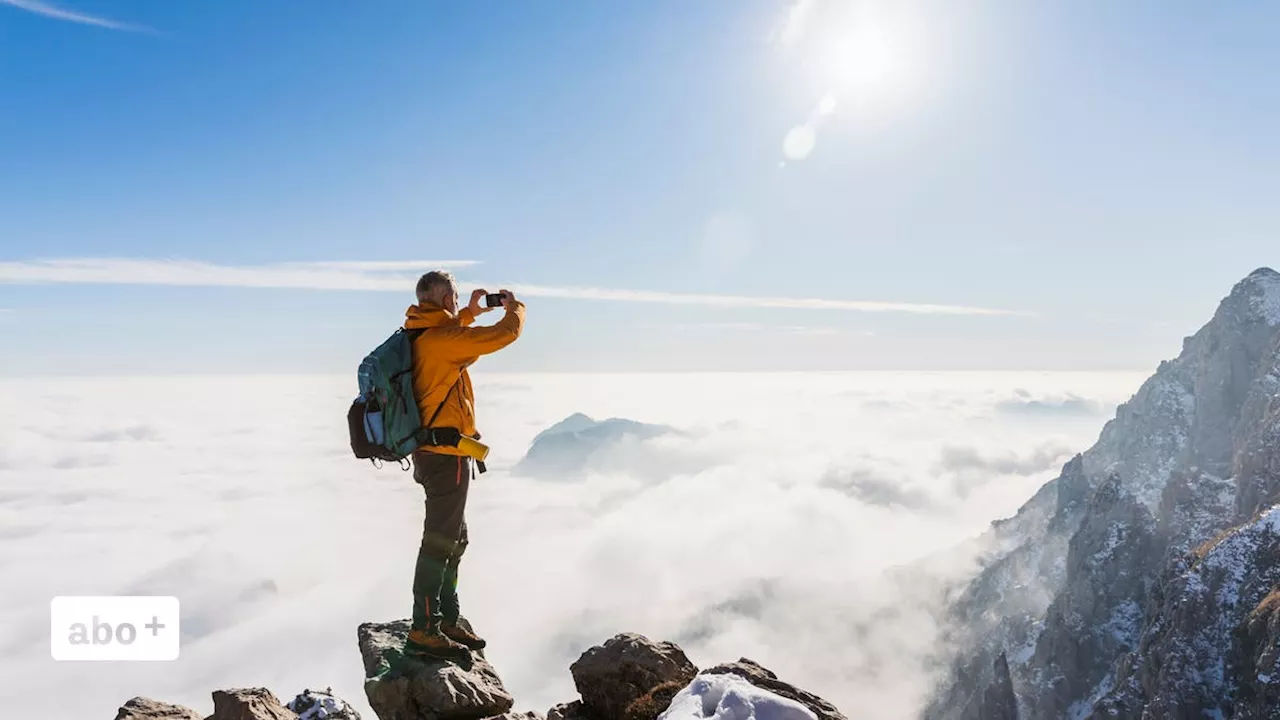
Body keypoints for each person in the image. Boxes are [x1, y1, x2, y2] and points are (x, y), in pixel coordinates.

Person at [401, 270, 525, 660]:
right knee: (439, 543)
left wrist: (470, 312)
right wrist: (514, 308)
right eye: (453, 297)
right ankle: (425, 628)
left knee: (455, 539)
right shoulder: (440, 341)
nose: (457, 303)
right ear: (441, 299)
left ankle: (447, 618)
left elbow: (450, 332)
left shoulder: (420, 333)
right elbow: (501, 336)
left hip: (431, 454)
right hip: (447, 457)